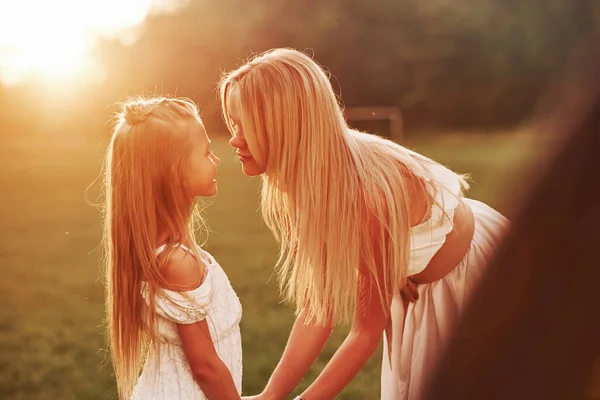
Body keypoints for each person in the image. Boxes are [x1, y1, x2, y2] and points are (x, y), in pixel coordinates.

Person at [218, 48, 509, 400]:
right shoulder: (301, 189)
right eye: (232, 124)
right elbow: (318, 308)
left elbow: (364, 333)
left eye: (244, 126)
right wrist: (272, 395)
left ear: (285, 128)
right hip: (418, 286)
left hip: (470, 281)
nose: (234, 139)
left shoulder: (365, 197)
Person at [102, 96, 242, 399]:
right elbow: (205, 367)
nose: (215, 160)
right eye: (206, 153)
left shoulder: (169, 251)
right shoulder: (177, 262)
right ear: (175, 171)